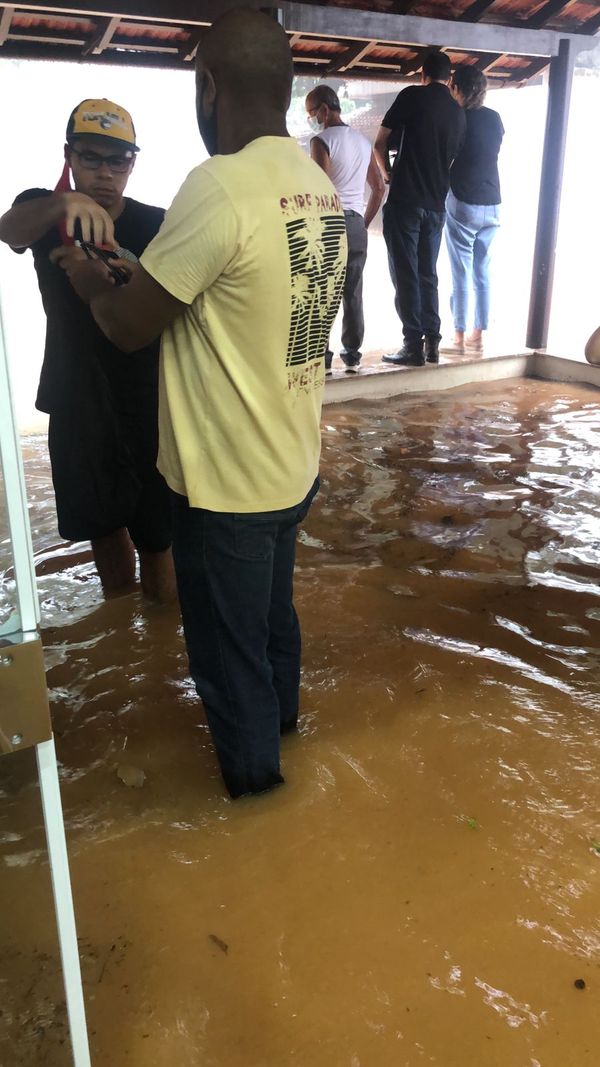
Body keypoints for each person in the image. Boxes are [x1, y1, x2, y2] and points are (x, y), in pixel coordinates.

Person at [56, 9, 347, 799]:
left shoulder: (215, 185)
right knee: (273, 625)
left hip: (228, 489)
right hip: (292, 466)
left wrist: (84, 273)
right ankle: (286, 736)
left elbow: (124, 327)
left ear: (208, 86)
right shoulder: (314, 184)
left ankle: (258, 805)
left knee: (226, 659)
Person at [0, 99, 175, 603]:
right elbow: (7, 229)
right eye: (91, 157)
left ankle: (161, 651)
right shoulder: (44, 211)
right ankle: (125, 637)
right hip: (75, 392)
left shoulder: (157, 223)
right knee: (102, 527)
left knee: (159, 536)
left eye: (117, 160)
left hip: (148, 394)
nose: (104, 172)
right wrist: (61, 204)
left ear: (133, 163)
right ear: (69, 157)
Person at [374, 51, 466, 367]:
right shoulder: (458, 112)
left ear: (422, 73)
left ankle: (412, 345)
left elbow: (379, 143)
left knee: (405, 272)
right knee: (428, 273)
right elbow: (451, 160)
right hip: (436, 205)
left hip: (405, 200)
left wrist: (387, 174)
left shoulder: (412, 95)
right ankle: (433, 345)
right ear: (448, 78)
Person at [305, 84, 385, 374]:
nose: (312, 119)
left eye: (312, 113)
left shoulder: (321, 141)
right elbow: (378, 188)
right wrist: (361, 223)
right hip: (355, 224)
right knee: (353, 291)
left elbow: (321, 190)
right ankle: (352, 356)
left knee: (324, 291)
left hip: (330, 223)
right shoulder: (362, 142)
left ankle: (323, 359)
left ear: (324, 110)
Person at [443, 65, 504, 356]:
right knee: (482, 270)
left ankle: (458, 335)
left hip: (463, 200)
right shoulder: (495, 118)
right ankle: (478, 334)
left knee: (461, 269)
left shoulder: (458, 118)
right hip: (492, 201)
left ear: (457, 89)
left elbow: (450, 155)